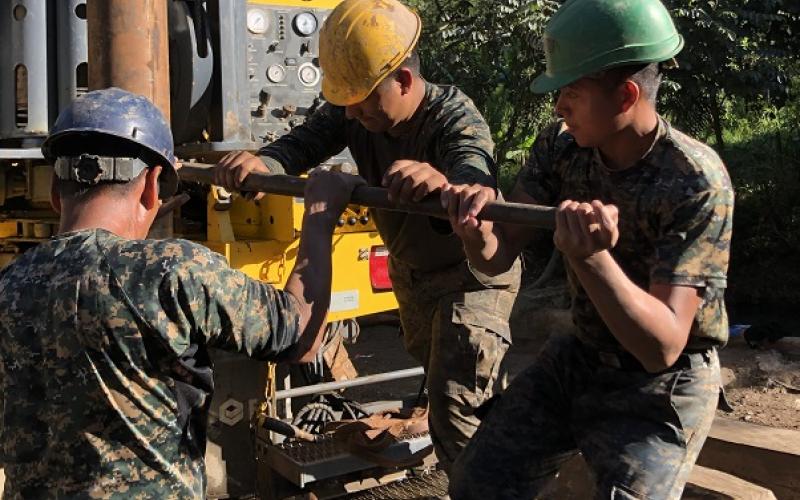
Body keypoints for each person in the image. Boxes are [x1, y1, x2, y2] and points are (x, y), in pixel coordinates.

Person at [0, 88, 362, 498]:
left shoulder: (11, 283)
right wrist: (320, 215)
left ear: (54, 194)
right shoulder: (172, 270)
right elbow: (298, 335)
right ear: (154, 186)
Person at [211, 0, 521, 471]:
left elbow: (475, 174)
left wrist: (445, 184)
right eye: (346, 100)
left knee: (460, 406)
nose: (352, 112)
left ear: (404, 80)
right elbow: (304, 142)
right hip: (413, 273)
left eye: (361, 98)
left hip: (470, 277)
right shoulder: (353, 111)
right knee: (447, 397)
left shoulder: (455, 117)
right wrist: (265, 163)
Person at [441, 0, 734, 497]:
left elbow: (661, 347)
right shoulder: (561, 147)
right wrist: (474, 228)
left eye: (571, 94)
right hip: (581, 358)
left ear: (625, 95)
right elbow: (496, 256)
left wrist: (592, 259)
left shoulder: (695, 182)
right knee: (478, 483)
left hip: (661, 386)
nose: (559, 108)